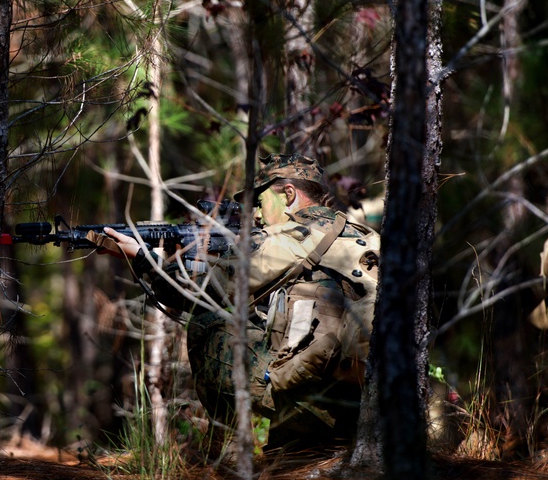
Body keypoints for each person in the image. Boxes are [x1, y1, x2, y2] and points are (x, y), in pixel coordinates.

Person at [94, 154, 380, 451]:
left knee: (207, 323)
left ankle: (224, 450)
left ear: (289, 194)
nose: (254, 214)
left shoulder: (290, 236)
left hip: (323, 399)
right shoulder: (365, 235)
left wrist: (143, 259)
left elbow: (201, 289)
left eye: (259, 202)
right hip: (368, 395)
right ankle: (303, 442)